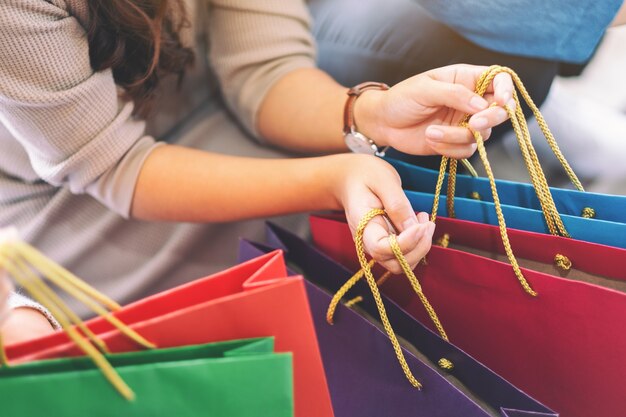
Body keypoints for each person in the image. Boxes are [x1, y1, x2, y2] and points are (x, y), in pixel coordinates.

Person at [1, 0, 523, 344]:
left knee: (394, 204)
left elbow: (264, 67)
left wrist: (371, 114)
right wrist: (332, 178)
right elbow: (114, 165)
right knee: (340, 237)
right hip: (73, 201)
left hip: (209, 116)